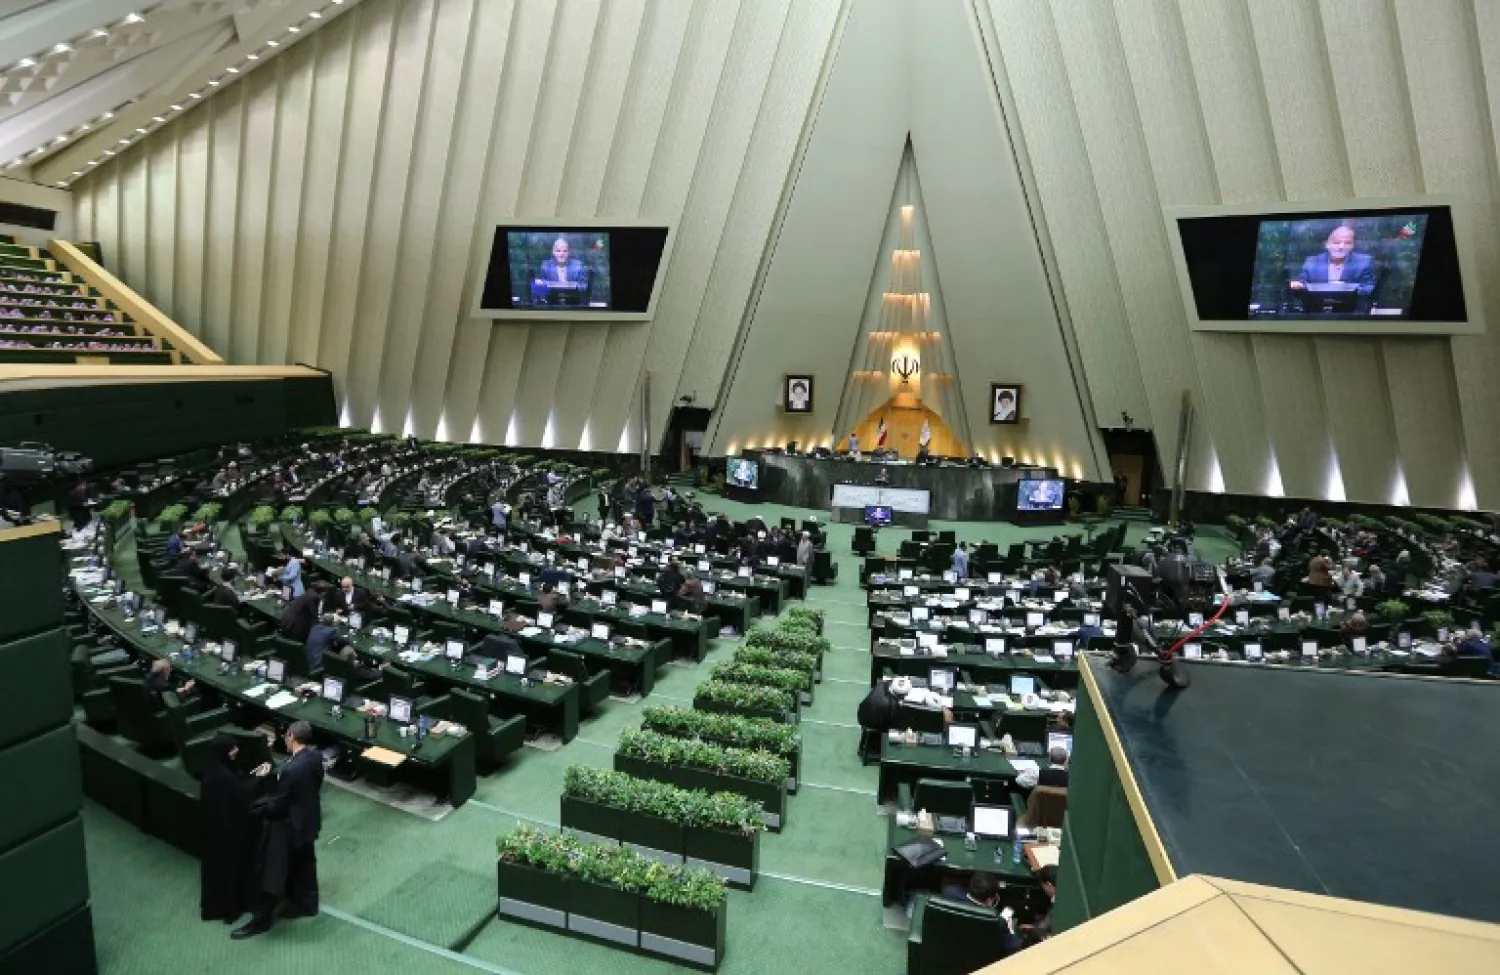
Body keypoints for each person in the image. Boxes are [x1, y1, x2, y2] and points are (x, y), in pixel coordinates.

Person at [235, 721, 323, 939]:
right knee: (306, 864)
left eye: (285, 736)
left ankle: (262, 920)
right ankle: (308, 904)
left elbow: (279, 804)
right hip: (309, 821)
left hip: (290, 827)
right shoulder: (315, 758)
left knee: (272, 872)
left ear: (292, 736)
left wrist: (261, 797)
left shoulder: (291, 771)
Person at [200, 734, 271, 924]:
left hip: (223, 829)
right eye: (232, 749)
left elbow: (237, 785)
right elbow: (240, 794)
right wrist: (259, 778)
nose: (236, 751)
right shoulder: (221, 777)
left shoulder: (215, 769)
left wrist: (253, 775)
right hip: (229, 833)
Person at [1289, 225, 1377, 301]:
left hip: (1350, 312)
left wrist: (1345, 289)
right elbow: (1303, 285)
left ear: (1353, 246)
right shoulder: (1312, 262)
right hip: (1316, 310)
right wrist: (1298, 286)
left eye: (1347, 243)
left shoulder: (1364, 262)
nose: (1341, 247)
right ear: (1327, 244)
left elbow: (1369, 288)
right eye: (1336, 242)